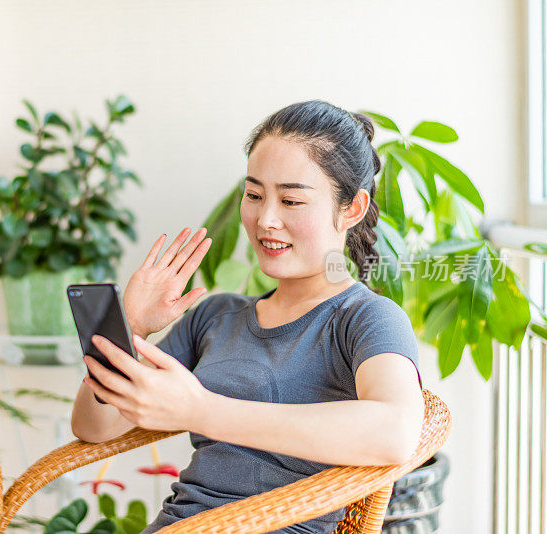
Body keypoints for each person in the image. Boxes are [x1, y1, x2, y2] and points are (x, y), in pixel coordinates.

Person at [70, 100, 425, 534]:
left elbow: (395, 431)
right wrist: (128, 328)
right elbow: (95, 426)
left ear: (351, 208)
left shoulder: (367, 318)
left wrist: (201, 411)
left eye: (291, 200)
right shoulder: (217, 317)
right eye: (254, 195)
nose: (265, 219)